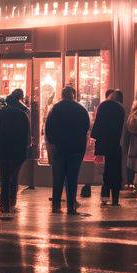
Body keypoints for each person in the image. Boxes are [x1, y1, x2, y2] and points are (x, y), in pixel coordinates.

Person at [44, 85, 90, 214]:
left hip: (59, 148)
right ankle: (71, 206)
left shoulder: (55, 109)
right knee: (72, 178)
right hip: (76, 149)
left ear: (62, 95)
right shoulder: (81, 109)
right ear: (73, 95)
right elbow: (86, 127)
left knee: (58, 177)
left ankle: (56, 205)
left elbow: (48, 128)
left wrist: (53, 143)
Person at [0, 88, 30, 213]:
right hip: (18, 151)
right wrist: (26, 149)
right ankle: (12, 200)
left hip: (2, 149)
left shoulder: (2, 113)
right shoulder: (23, 114)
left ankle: (4, 203)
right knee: (14, 175)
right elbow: (27, 135)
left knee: (4, 176)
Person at [91, 89, 125, 206]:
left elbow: (97, 125)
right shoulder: (121, 109)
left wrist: (94, 136)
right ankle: (115, 198)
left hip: (103, 143)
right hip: (115, 143)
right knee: (115, 170)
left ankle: (104, 196)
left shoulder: (103, 106)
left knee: (106, 170)